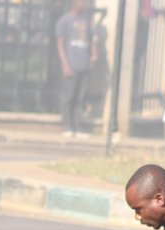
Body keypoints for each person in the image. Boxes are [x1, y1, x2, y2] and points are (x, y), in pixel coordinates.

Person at [56, 0, 98, 138]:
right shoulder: (65, 21)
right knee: (69, 96)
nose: (84, 4)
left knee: (81, 97)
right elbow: (60, 44)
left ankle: (78, 126)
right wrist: (65, 64)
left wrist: (93, 54)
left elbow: (92, 40)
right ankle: (67, 126)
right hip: (71, 64)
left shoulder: (87, 22)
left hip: (83, 65)